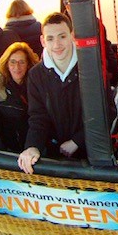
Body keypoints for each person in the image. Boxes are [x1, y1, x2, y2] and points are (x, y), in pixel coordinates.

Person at [17, 12, 85, 174]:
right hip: (54, 156)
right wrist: (32, 147)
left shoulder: (89, 69)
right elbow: (38, 117)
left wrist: (77, 141)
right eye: (50, 38)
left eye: (62, 36)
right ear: (43, 41)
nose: (56, 44)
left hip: (90, 154)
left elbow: (105, 112)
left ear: (72, 36)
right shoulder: (35, 75)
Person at [62, 0, 118, 88]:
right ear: (67, 7)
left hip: (95, 69)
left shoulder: (95, 23)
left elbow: (105, 48)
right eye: (76, 5)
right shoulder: (61, 27)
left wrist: (113, 71)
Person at [0, 41, 39, 152]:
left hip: (37, 146)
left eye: (21, 62)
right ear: (7, 64)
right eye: (12, 62)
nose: (17, 67)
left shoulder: (37, 85)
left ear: (28, 64)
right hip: (11, 149)